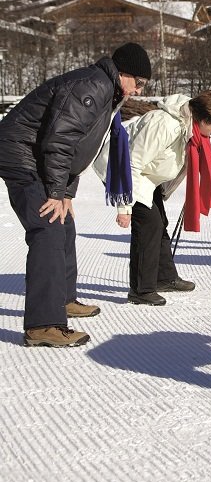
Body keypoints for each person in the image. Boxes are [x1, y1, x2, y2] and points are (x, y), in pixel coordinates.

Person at [0, 43, 151, 346]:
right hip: (20, 154)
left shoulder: (103, 88)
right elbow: (60, 141)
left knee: (63, 224)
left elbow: (77, 147)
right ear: (123, 73)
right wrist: (55, 192)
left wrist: (65, 192)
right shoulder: (93, 86)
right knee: (48, 229)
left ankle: (63, 300)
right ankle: (44, 325)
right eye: (139, 82)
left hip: (34, 155)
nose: (138, 90)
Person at [96, 90, 211, 306]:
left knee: (160, 223)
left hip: (148, 177)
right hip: (125, 173)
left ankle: (164, 277)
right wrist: (124, 206)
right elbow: (132, 163)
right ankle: (141, 290)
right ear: (203, 119)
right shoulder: (164, 125)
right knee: (148, 226)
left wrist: (163, 192)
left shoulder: (188, 126)